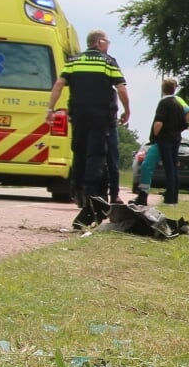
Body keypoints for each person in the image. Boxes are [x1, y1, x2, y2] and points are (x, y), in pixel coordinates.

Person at [48, 30, 129, 229]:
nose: (108, 45)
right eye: (107, 41)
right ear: (100, 42)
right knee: (96, 155)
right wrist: (127, 110)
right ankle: (92, 197)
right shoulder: (108, 62)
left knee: (79, 152)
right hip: (100, 116)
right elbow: (121, 89)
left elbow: (59, 84)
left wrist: (50, 108)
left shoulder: (74, 61)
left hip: (78, 115)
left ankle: (78, 191)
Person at [132, 76, 189, 206]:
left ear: (163, 89)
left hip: (162, 139)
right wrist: (180, 127)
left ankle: (144, 194)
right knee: (171, 167)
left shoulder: (164, 102)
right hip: (175, 138)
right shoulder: (179, 101)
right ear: (174, 88)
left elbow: (158, 123)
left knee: (148, 165)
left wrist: (155, 135)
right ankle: (172, 197)